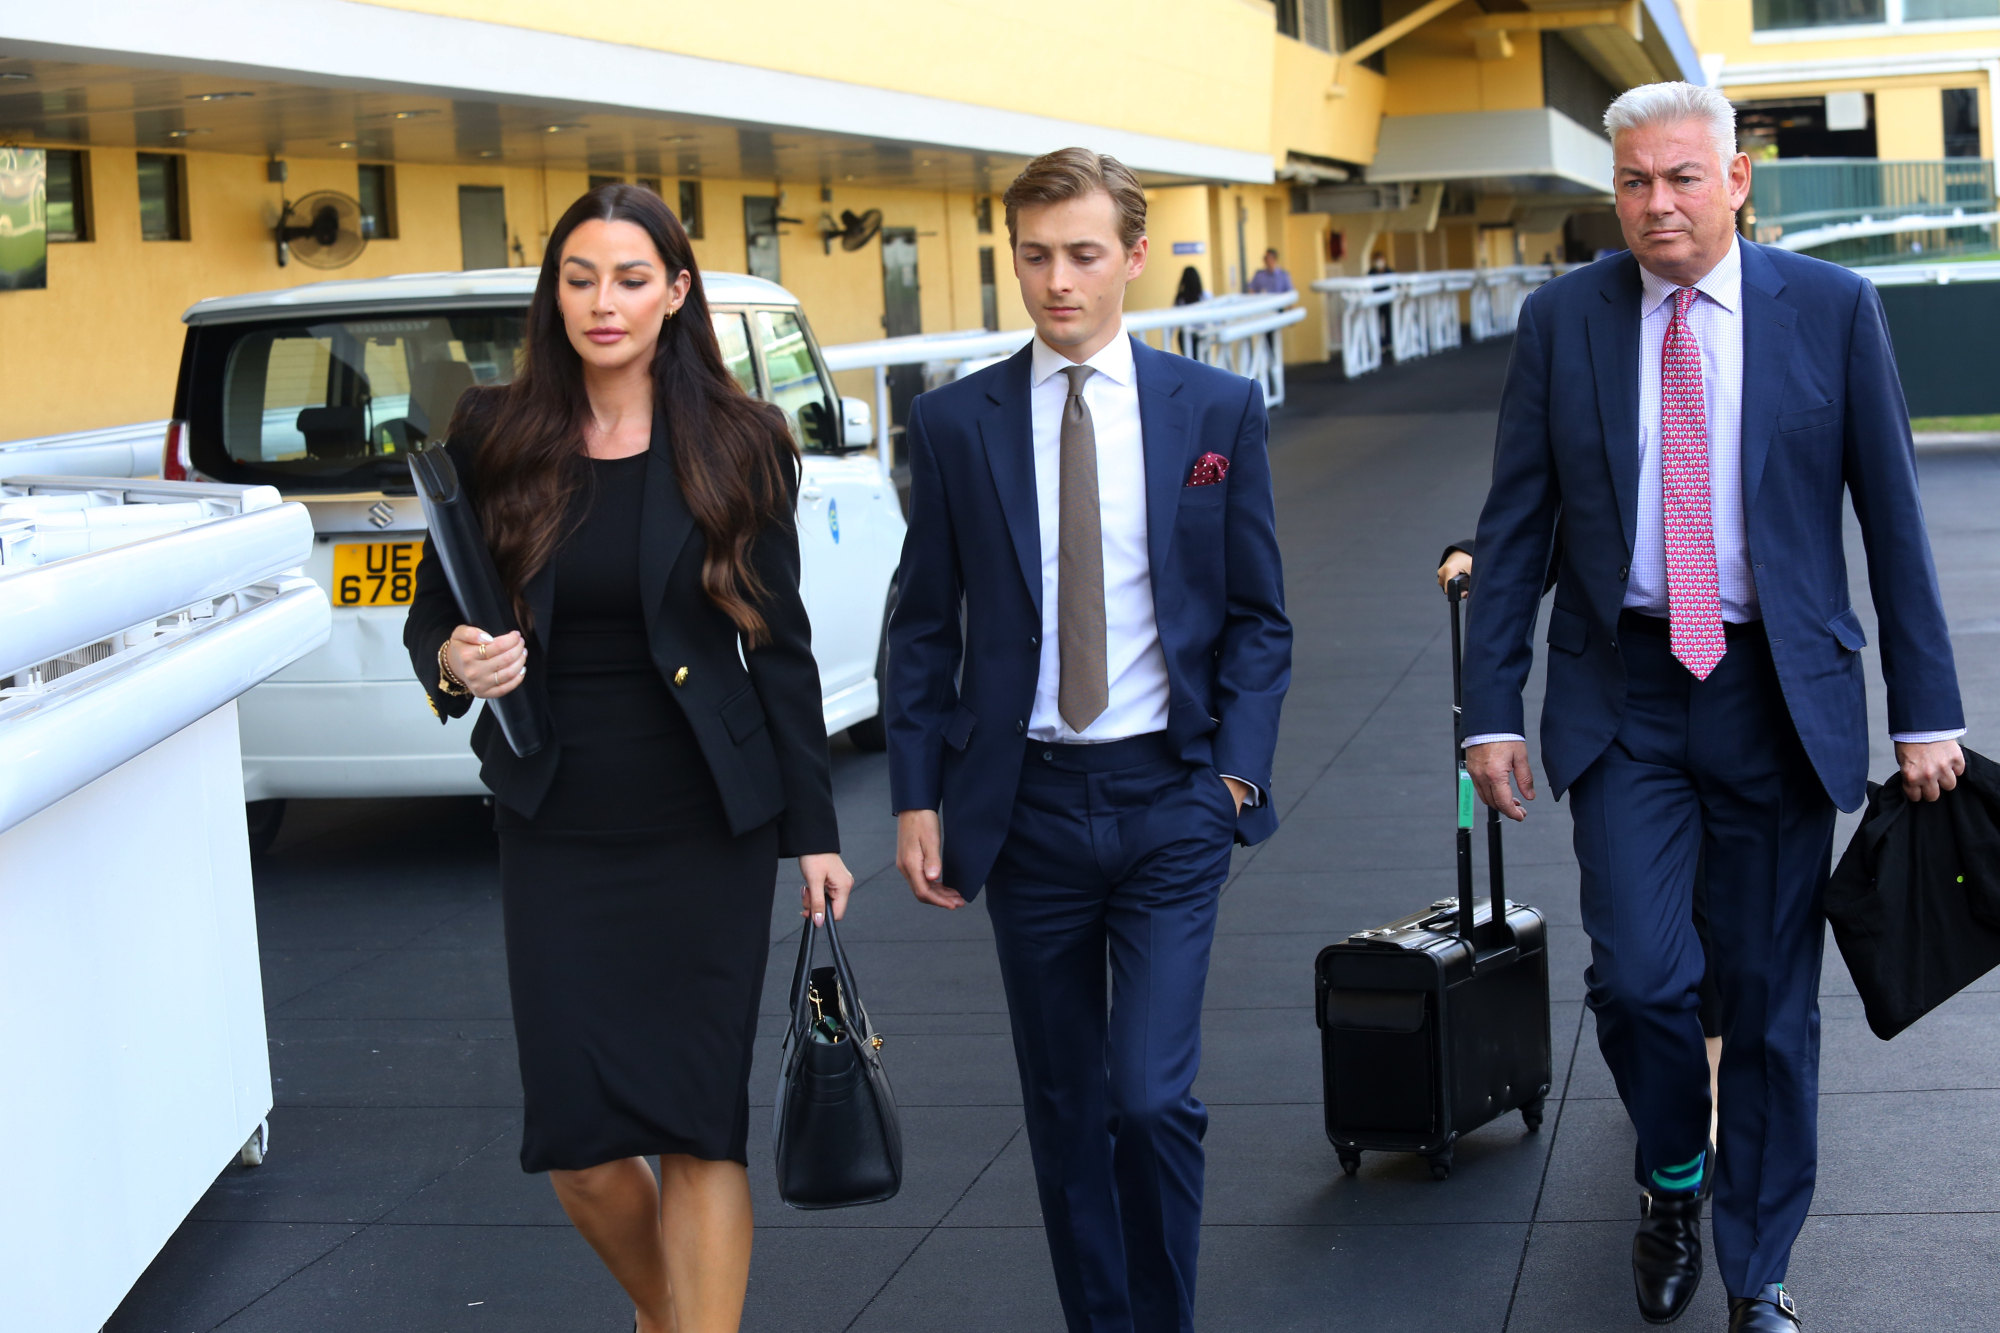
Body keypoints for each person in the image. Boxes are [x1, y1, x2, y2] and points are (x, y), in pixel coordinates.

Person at [1459, 82, 1964, 1333]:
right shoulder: (1562, 319)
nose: (1655, 204)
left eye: (1682, 178)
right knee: (1638, 979)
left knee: (1767, 999)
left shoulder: (1831, 312)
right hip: (1621, 692)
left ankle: (1757, 1272)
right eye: (1633, 182)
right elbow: (1514, 527)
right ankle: (1672, 1177)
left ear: (1736, 180)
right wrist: (1488, 709)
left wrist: (1926, 711)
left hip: (1774, 697)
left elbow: (1890, 523)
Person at [402, 183, 853, 1333]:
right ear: (553, 294)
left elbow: (783, 652)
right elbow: (432, 623)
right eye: (580, 277)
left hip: (705, 821)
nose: (603, 302)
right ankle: (670, 1314)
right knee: (581, 1145)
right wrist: (460, 658)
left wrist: (814, 831)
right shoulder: (494, 433)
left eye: (631, 278)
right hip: (556, 818)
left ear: (676, 293)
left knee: (697, 1120)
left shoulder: (740, 439)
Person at [885, 148, 1291, 1333]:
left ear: (1130, 256)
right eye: (1031, 256)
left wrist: (1232, 774)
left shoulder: (1212, 410)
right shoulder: (956, 421)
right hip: (1029, 811)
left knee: (1150, 1098)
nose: (1055, 280)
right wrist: (919, 795)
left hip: (1170, 793)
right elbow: (921, 625)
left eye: (1079, 254)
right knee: (1066, 1107)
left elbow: (1260, 615)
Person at [1438, 541, 1722, 1150]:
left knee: (1720, 907)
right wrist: (1482, 557)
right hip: (1629, 686)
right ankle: (1676, 1104)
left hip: (1743, 678)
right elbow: (1567, 501)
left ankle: (1712, 1073)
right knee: (1640, 940)